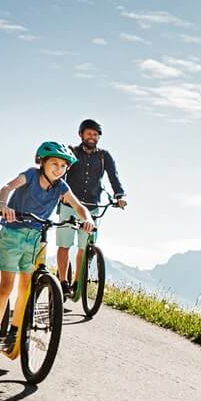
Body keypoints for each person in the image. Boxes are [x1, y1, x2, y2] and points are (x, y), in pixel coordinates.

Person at [0, 142, 94, 359]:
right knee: (7, 287)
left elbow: (78, 206)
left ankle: (15, 332)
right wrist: (4, 206)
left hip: (36, 238)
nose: (59, 169)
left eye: (63, 166)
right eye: (54, 163)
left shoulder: (61, 186)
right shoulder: (31, 176)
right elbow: (7, 188)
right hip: (13, 234)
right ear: (42, 162)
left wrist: (88, 219)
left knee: (26, 288)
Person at [56, 117, 128, 287]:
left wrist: (120, 196)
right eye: (89, 133)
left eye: (95, 134)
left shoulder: (105, 156)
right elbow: (61, 173)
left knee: (84, 247)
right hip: (69, 205)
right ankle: (62, 282)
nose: (92, 137)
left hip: (92, 208)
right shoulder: (71, 152)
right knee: (64, 244)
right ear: (81, 134)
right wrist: (59, 193)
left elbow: (114, 177)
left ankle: (76, 282)